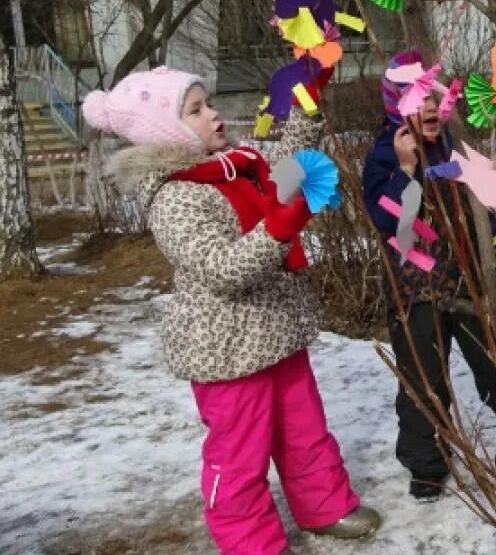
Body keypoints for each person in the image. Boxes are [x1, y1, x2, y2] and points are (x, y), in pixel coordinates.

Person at [86, 66, 380, 555]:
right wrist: (281, 225)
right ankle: (251, 543)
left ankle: (326, 505)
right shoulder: (174, 198)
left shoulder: (240, 164)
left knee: (304, 431)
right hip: (226, 350)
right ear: (167, 132)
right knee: (239, 455)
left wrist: (308, 96)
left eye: (209, 103)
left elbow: (289, 164)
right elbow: (222, 267)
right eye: (196, 110)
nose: (214, 114)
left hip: (277, 329)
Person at [362, 50, 496, 502]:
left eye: (434, 95)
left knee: (494, 367)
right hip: (415, 293)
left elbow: (480, 210)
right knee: (423, 381)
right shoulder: (382, 156)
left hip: (465, 281)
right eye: (418, 97)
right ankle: (427, 465)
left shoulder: (453, 147)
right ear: (396, 104)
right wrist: (407, 171)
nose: (430, 107)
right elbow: (390, 221)